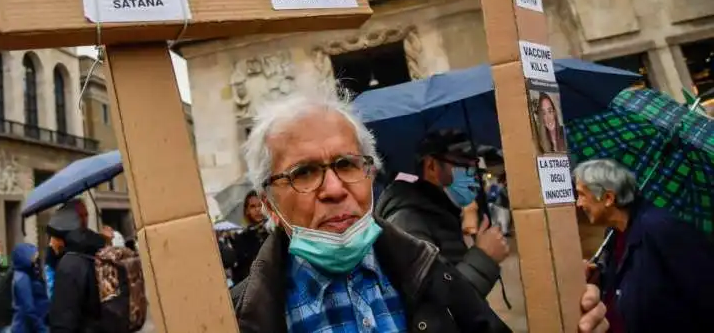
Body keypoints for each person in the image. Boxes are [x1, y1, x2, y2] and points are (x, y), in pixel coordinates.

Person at [231, 89, 609, 333]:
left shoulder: (429, 271)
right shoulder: (234, 317)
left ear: (369, 173)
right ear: (268, 204)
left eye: (347, 165)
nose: (334, 189)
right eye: (305, 172)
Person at [575, 158, 714, 332]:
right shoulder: (614, 234)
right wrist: (599, 277)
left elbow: (705, 294)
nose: (578, 204)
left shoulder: (663, 230)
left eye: (582, 195)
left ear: (608, 198)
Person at [376, 129, 509, 298]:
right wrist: (484, 258)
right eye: (464, 166)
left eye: (475, 167)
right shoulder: (406, 221)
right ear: (432, 166)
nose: (474, 175)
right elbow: (437, 303)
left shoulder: (440, 212)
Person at [47, 199, 108, 333]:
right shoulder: (98, 249)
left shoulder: (69, 264)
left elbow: (63, 322)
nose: (50, 243)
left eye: (52, 236)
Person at [230, 191, 270, 284]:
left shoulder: (275, 229)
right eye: (252, 206)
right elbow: (239, 270)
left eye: (260, 205)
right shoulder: (241, 238)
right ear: (247, 210)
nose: (257, 209)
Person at [10, 243, 49, 333]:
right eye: (33, 257)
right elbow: (28, 308)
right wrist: (41, 329)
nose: (35, 260)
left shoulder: (28, 274)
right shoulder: (23, 278)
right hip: (27, 328)